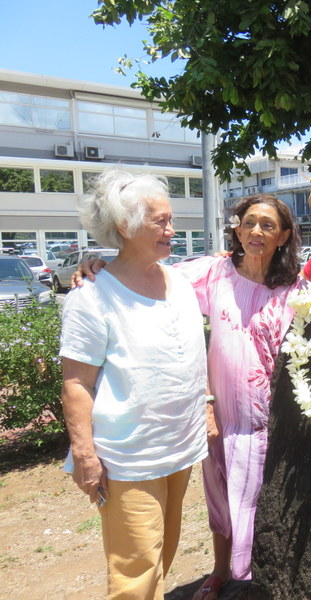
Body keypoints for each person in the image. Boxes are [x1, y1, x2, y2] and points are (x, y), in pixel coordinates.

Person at [73, 194, 303, 600]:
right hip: (221, 420)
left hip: (271, 422)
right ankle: (220, 573)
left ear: (284, 236)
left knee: (260, 509)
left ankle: (254, 582)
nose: (256, 232)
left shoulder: (295, 289)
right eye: (249, 222)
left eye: (268, 225)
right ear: (236, 228)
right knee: (221, 505)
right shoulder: (211, 273)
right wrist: (100, 266)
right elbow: (144, 272)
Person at [60, 170, 209, 599]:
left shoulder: (178, 280)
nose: (172, 229)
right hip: (129, 456)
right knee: (135, 572)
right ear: (125, 227)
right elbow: (76, 382)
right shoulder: (90, 296)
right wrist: (85, 454)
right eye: (160, 221)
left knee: (162, 555)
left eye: (170, 219)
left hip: (179, 447)